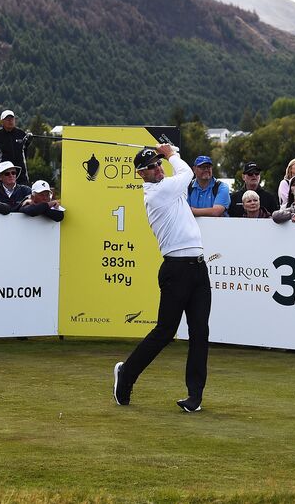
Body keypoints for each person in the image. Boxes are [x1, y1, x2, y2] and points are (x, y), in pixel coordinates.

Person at [113, 144, 210, 413]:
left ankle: (195, 396)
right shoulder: (156, 193)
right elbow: (188, 172)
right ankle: (126, 374)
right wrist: (171, 153)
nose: (157, 169)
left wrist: (170, 152)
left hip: (199, 268)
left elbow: (181, 174)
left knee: (200, 332)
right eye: (151, 167)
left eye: (158, 164)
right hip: (176, 269)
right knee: (165, 332)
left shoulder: (169, 186)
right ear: (141, 174)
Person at [0, 109, 30, 186]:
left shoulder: (21, 134)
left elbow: (25, 151)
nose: (10, 121)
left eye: (12, 119)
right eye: (7, 119)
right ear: (2, 121)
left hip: (21, 174)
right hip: (4, 174)